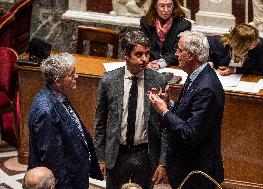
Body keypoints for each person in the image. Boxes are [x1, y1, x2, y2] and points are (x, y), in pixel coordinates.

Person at [148, 31, 225, 189]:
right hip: (186, 166)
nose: (176, 54)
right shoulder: (195, 76)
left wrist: (164, 112)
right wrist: (169, 105)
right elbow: (189, 112)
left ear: (191, 55)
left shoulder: (206, 87)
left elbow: (190, 133)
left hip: (197, 172)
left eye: (179, 50)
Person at [93, 29, 168, 189]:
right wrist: (99, 158)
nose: (144, 60)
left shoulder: (158, 80)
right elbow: (100, 122)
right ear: (126, 54)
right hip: (117, 154)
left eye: (147, 54)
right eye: (139, 54)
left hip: (146, 155)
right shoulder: (109, 80)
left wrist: (162, 162)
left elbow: (164, 126)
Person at [27, 53, 103, 188]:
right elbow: (53, 159)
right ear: (57, 81)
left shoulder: (56, 94)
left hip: (75, 173)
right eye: (71, 74)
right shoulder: (46, 111)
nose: (76, 76)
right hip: (66, 181)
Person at [140, 0, 192, 69]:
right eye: (162, 6)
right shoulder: (145, 22)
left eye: (169, 6)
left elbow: (178, 52)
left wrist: (160, 63)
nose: (166, 10)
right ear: (155, 6)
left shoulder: (184, 25)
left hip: (173, 66)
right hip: (149, 64)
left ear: (173, 6)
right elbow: (144, 47)